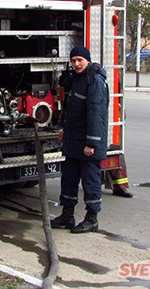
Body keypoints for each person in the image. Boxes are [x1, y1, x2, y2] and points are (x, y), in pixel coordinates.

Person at [51, 46, 109, 233]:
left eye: (79, 60)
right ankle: (67, 216)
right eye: (73, 60)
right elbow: (72, 111)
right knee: (68, 179)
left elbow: (96, 115)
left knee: (90, 182)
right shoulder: (78, 79)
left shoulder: (95, 81)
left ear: (87, 60)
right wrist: (64, 131)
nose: (76, 64)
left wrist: (91, 143)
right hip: (74, 141)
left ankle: (92, 219)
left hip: (88, 144)